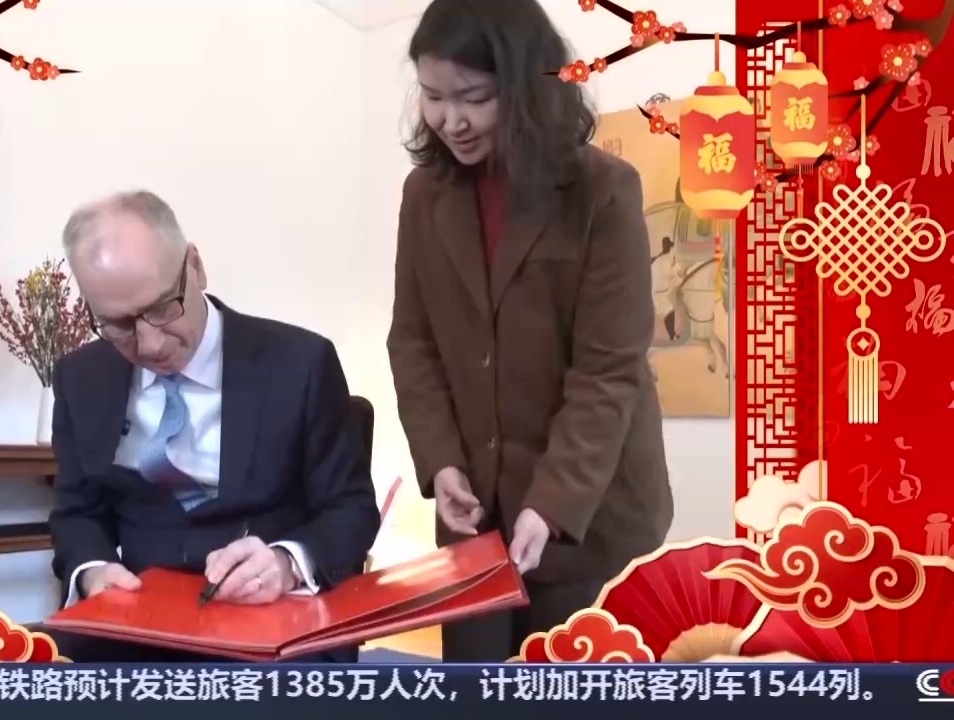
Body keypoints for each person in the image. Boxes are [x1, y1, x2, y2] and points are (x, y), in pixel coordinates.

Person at [386, 0, 673, 662]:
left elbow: (608, 371)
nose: (450, 120)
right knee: (475, 686)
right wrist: (441, 461)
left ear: (526, 88)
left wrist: (551, 504)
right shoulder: (424, 197)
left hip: (592, 519)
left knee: (575, 687)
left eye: (474, 98)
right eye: (433, 96)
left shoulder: (602, 191)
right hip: (474, 527)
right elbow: (413, 342)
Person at [49, 190, 379, 662]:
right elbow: (77, 513)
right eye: (117, 325)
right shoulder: (82, 378)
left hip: (276, 622)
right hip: (139, 626)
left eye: (162, 308)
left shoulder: (300, 364)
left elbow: (352, 509)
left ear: (195, 267)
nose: (150, 344)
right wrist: (94, 571)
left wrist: (286, 562)